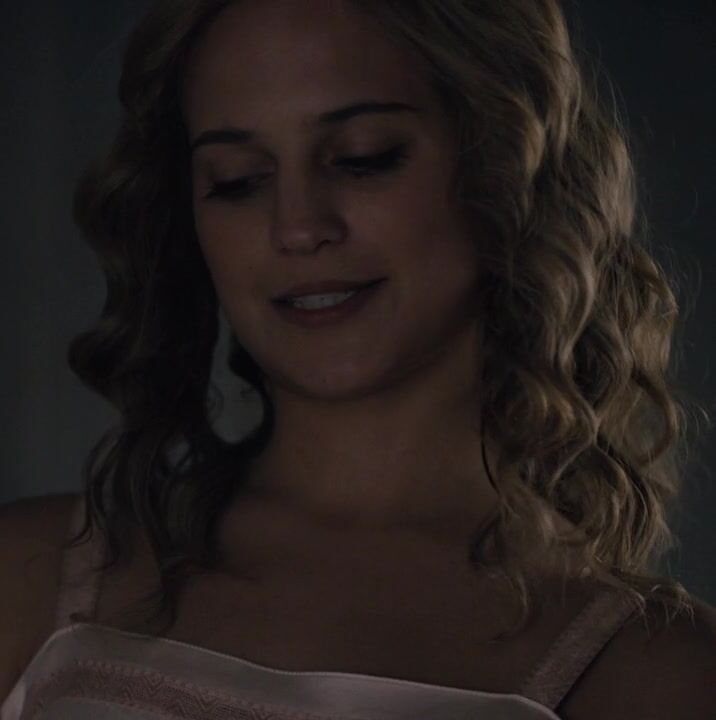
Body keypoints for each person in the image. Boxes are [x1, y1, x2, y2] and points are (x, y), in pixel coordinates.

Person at [2, 1, 715, 718]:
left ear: (507, 166)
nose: (298, 226)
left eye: (363, 158)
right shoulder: (29, 580)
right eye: (238, 179)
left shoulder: (660, 675)